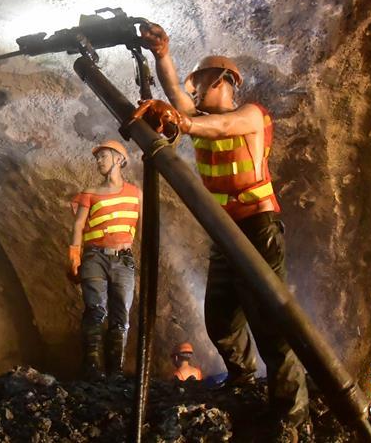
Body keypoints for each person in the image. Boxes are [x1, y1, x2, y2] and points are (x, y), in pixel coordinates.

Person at [133, 23, 309, 435]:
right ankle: (243, 377)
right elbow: (177, 97)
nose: (193, 92)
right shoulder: (199, 118)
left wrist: (183, 122)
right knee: (220, 320)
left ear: (222, 81)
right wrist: (162, 53)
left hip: (258, 228)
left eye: (200, 84)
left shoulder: (251, 115)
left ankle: (292, 411)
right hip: (224, 231)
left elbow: (220, 127)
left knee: (269, 322)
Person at [69, 140, 141, 378]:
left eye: (103, 156)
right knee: (95, 309)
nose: (99, 161)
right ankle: (91, 367)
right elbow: (78, 225)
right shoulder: (90, 193)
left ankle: (115, 371)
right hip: (94, 258)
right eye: (97, 158)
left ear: (119, 159)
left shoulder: (136, 194)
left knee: (121, 315)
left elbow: (146, 228)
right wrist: (74, 256)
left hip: (124, 260)